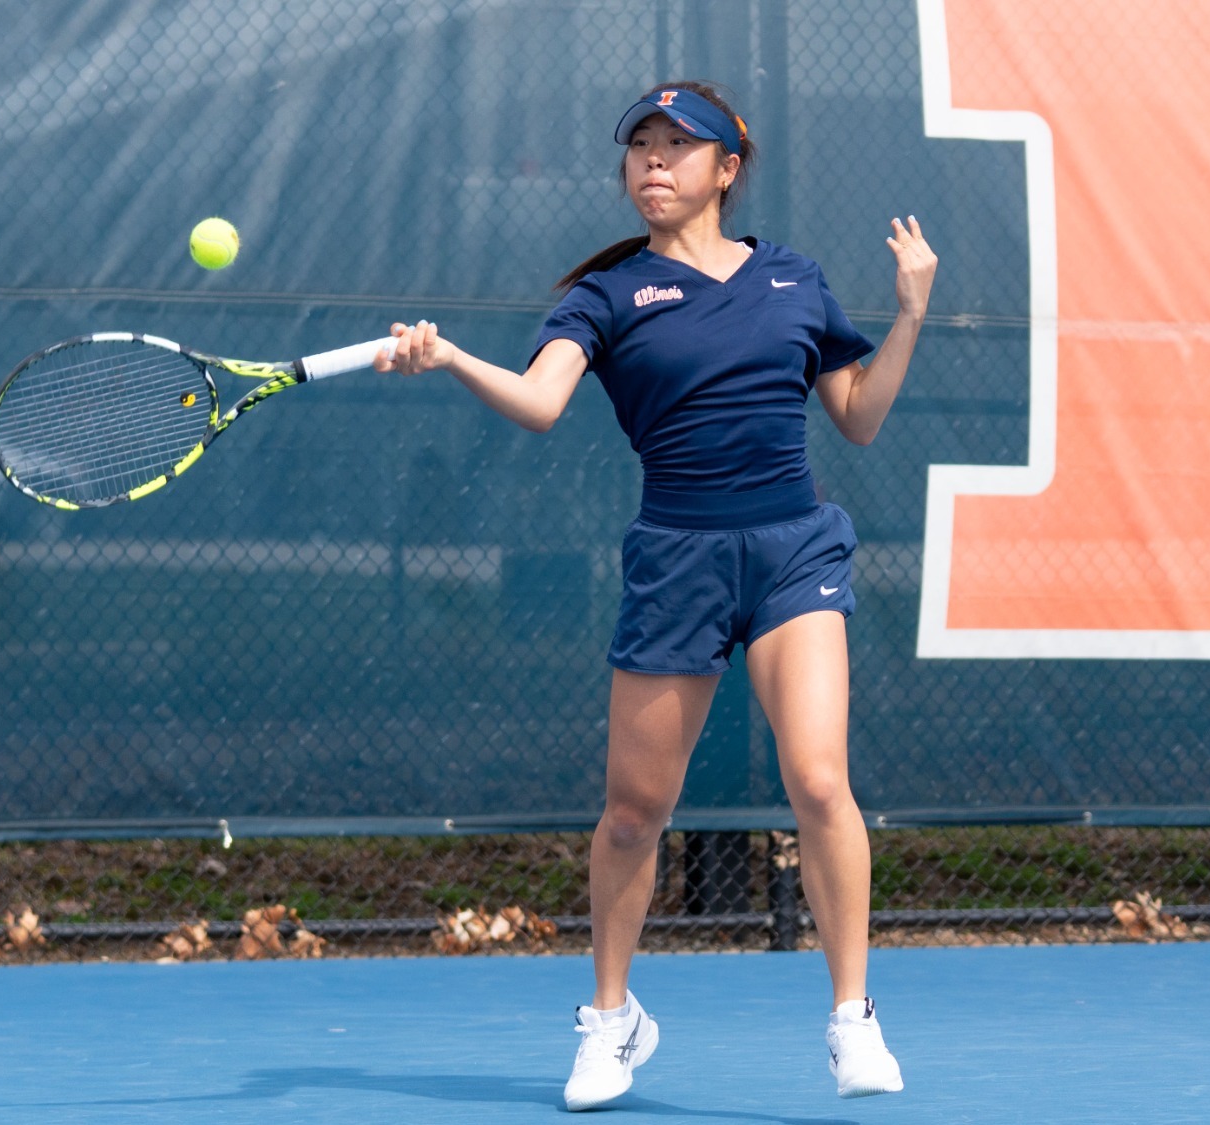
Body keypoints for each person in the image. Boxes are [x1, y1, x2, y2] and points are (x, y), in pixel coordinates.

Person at [375, 80, 936, 1110]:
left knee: (818, 783)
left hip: (791, 552)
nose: (654, 162)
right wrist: (451, 356)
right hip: (677, 559)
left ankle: (851, 1019)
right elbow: (541, 403)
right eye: (641, 145)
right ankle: (610, 1021)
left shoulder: (792, 281)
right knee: (634, 814)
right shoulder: (603, 297)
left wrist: (905, 316)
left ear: (727, 170)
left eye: (680, 147)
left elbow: (856, 418)